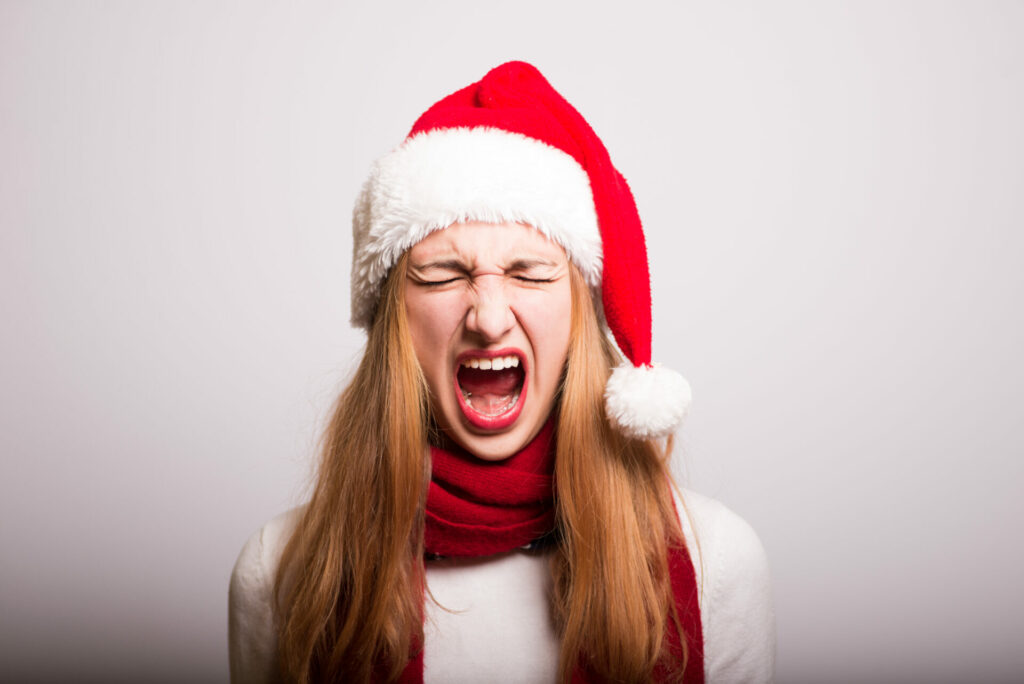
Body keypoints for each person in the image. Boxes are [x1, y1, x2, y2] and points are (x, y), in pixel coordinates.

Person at [229, 61, 775, 684]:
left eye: (529, 272)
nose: (488, 318)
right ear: (395, 321)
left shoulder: (719, 563)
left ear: (578, 312)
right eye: (443, 274)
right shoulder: (279, 573)